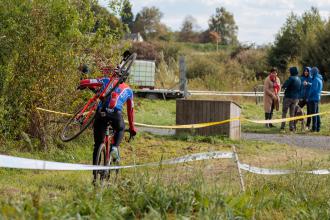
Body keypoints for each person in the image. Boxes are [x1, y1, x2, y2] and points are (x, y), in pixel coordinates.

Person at [79, 52, 137, 164]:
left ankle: (95, 175)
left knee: (98, 144)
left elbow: (88, 81)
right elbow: (130, 111)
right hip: (116, 115)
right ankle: (114, 147)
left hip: (101, 112)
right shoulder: (129, 90)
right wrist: (132, 129)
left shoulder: (106, 80)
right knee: (120, 129)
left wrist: (82, 83)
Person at [280, 67, 302, 131]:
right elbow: (300, 89)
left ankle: (282, 126)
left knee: (284, 112)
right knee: (292, 113)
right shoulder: (299, 79)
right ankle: (291, 127)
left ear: (292, 72)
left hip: (288, 97)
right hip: (295, 98)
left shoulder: (291, 78)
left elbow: (284, 85)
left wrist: (283, 86)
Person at [307, 67, 323, 132]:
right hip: (317, 98)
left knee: (313, 114)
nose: (310, 73)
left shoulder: (315, 79)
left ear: (313, 72)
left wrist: (308, 96)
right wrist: (309, 84)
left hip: (313, 98)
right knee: (316, 113)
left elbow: (313, 90)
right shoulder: (319, 79)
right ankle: (318, 127)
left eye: (311, 72)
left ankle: (314, 128)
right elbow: (315, 86)